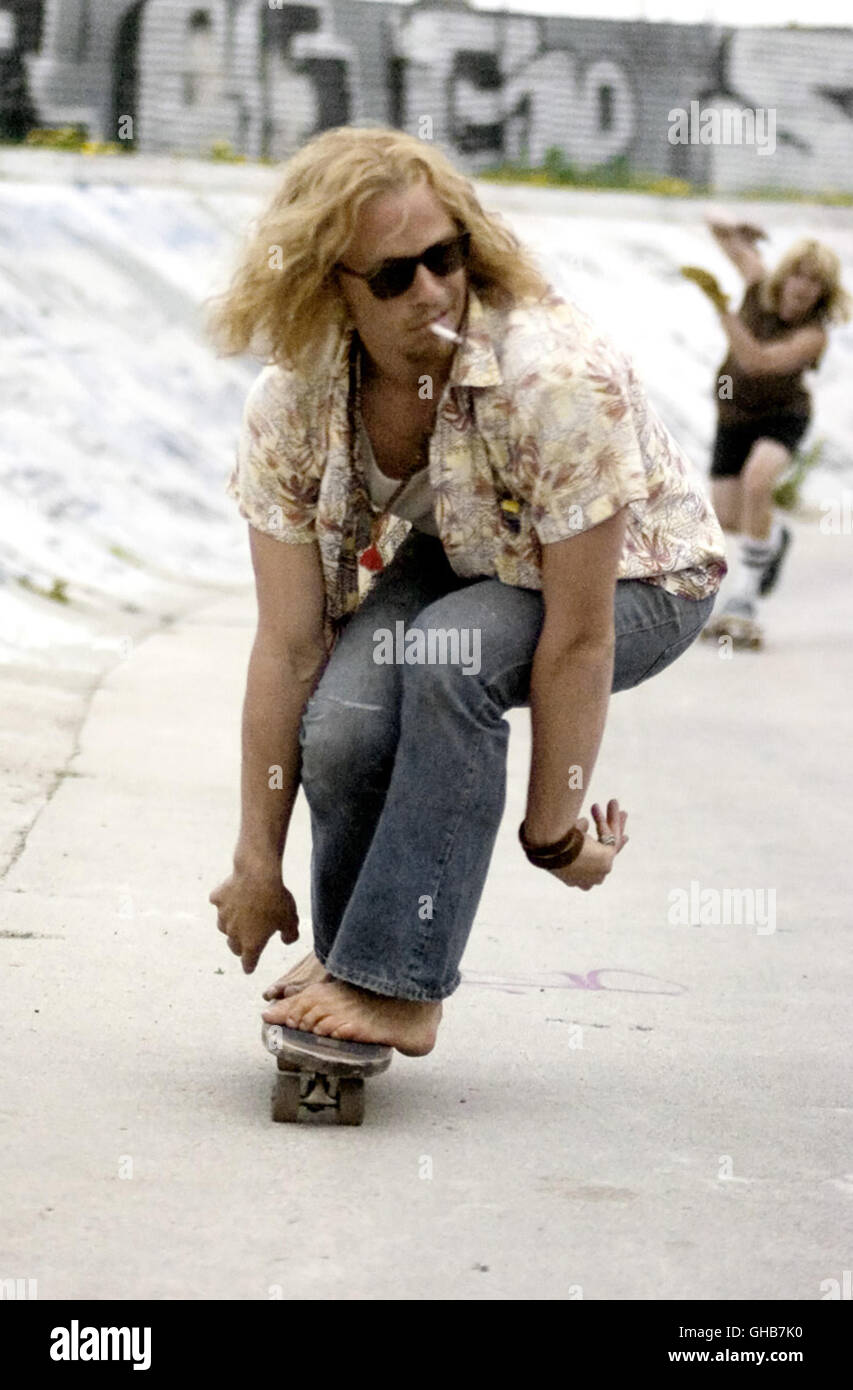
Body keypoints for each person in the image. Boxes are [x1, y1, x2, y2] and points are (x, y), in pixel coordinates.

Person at [207, 126, 726, 1057]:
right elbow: (287, 648)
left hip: (641, 578)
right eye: (393, 275)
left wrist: (556, 833)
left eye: (444, 258)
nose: (433, 290)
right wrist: (256, 863)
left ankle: (399, 987)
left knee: (450, 662)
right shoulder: (294, 404)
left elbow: (577, 636)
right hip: (477, 556)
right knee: (346, 718)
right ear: (331, 286)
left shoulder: (556, 379)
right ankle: (351, 954)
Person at [682, 217, 850, 647]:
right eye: (798, 274)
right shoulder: (759, 282)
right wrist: (736, 228)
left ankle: (745, 597)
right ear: (785, 274)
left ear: (823, 292)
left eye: (815, 282)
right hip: (733, 413)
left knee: (759, 481)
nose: (802, 287)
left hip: (783, 416)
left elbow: (757, 361)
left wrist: (722, 309)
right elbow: (720, 235)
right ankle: (774, 538)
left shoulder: (813, 335)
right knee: (729, 518)